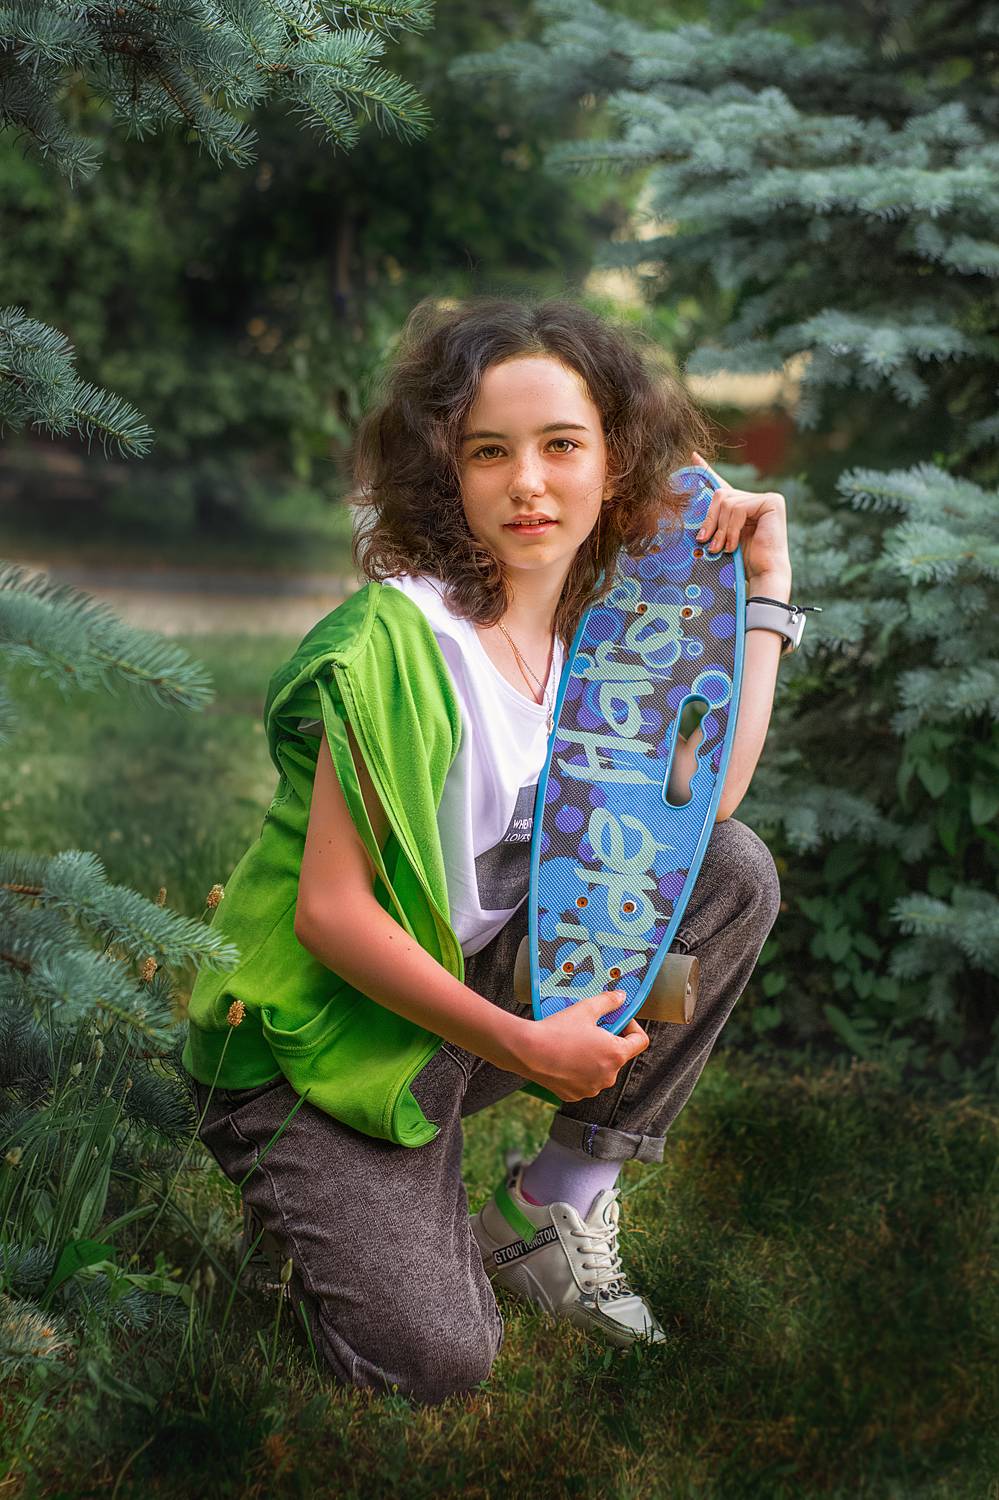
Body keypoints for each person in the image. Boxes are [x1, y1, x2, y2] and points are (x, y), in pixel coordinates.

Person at [182, 294, 792, 1407]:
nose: (528, 483)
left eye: (562, 445)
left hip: (460, 993)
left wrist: (766, 593)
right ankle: (302, 1206)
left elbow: (702, 813)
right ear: (443, 472)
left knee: (728, 873)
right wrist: (524, 1042)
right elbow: (330, 914)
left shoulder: (600, 632)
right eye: (488, 451)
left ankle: (553, 1204)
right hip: (322, 1039)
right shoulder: (399, 641)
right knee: (440, 1360)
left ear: (616, 462)